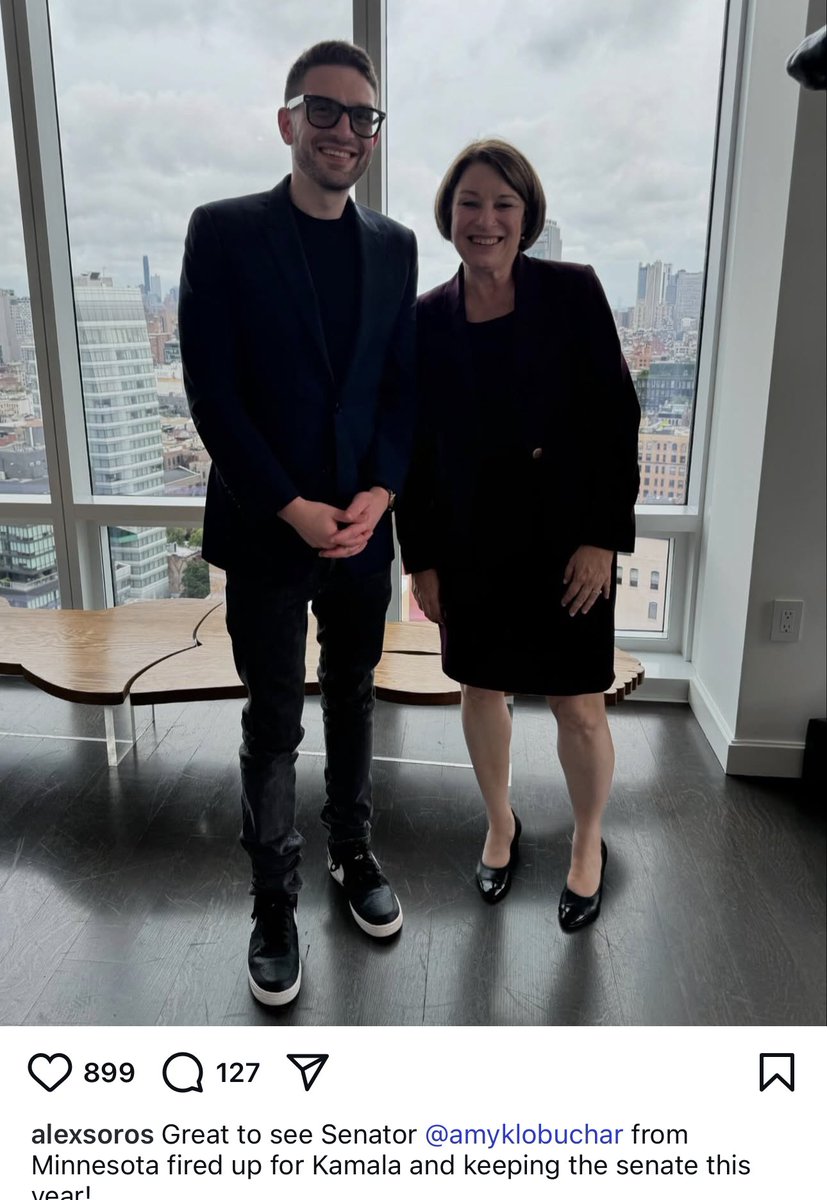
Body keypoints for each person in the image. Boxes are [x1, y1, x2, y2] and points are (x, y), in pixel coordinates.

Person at [178, 40, 417, 1005]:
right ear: (288, 121)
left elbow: (400, 388)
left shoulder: (395, 246)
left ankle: (350, 852)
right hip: (266, 527)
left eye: (361, 116)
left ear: (372, 135)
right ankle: (272, 898)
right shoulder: (223, 230)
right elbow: (212, 393)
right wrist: (290, 506)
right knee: (273, 716)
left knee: (354, 695)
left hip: (361, 531)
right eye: (324, 110)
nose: (343, 131)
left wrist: (380, 494)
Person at [397, 139, 639, 931]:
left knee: (578, 706)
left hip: (567, 545)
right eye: (470, 202)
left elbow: (615, 421)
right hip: (470, 546)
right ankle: (500, 824)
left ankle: (587, 840)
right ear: (448, 214)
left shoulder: (572, 292)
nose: (486, 219)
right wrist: (421, 559)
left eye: (504, 203)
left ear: (527, 216)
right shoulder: (425, 318)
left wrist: (602, 539)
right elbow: (413, 449)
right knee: (480, 690)